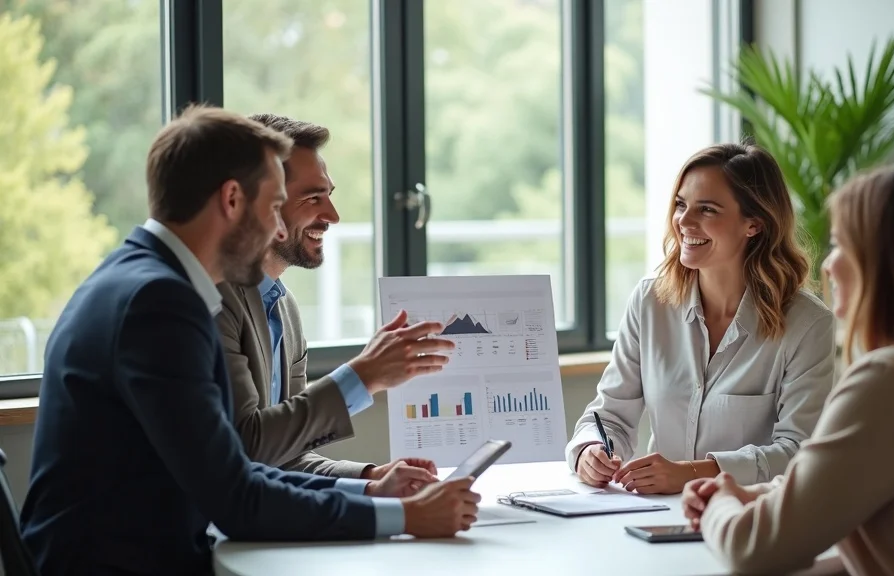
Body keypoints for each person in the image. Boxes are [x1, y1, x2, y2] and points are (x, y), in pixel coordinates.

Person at [19, 105, 480, 576]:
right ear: (233, 200)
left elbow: (234, 470)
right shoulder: (159, 304)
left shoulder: (145, 280)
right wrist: (404, 517)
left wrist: (370, 490)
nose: (277, 228)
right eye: (273, 205)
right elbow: (236, 496)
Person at [685, 165, 894, 575]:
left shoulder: (889, 382)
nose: (827, 266)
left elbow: (753, 550)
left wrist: (717, 504)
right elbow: (843, 493)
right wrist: (747, 494)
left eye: (840, 244)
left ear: (884, 262)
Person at [566, 143, 835, 495]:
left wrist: (692, 473)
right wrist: (591, 450)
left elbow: (799, 451)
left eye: (707, 209)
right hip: (654, 514)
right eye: (681, 204)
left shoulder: (808, 324)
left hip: (750, 517)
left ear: (754, 224)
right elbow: (609, 415)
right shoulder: (650, 302)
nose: (684, 222)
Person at [215, 113, 450, 486]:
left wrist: (371, 479)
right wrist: (364, 376)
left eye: (329, 195)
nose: (333, 216)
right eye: (312, 198)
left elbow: (285, 454)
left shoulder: (284, 308)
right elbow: (246, 447)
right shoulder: (215, 301)